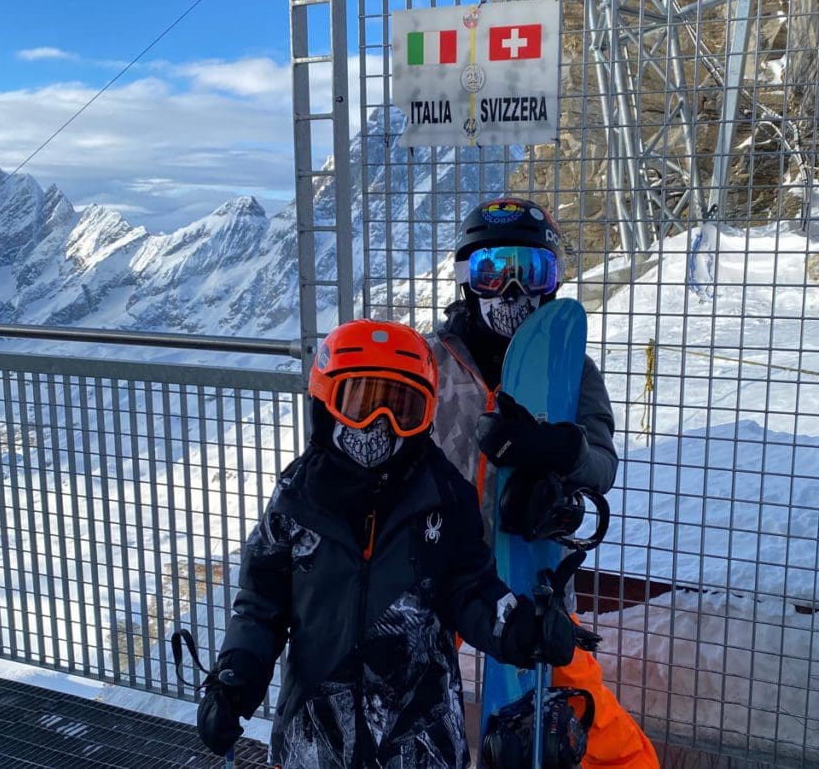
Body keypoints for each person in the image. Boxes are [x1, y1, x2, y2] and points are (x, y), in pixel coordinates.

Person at [194, 319, 592, 768]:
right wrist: (234, 683)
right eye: (359, 403)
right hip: (315, 741)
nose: (378, 426)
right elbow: (260, 605)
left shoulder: (441, 496)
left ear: (425, 418)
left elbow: (471, 589)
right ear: (326, 404)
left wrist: (520, 627)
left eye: (401, 409)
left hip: (421, 743)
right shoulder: (298, 498)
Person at [428, 198, 660, 768]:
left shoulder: (570, 367)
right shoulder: (432, 362)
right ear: (466, 281)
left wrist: (566, 451)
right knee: (414, 692)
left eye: (530, 272)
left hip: (534, 576)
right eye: (492, 272)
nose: (511, 292)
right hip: (441, 572)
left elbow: (602, 465)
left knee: (576, 704)